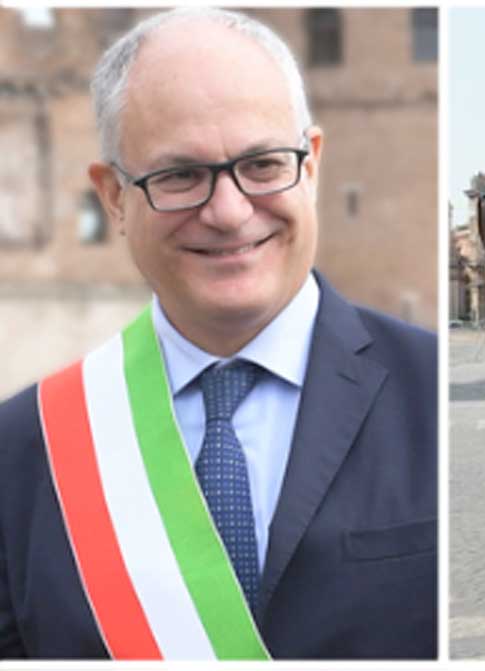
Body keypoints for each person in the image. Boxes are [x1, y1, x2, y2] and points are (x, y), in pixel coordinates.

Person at [0, 9, 436, 660]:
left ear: (311, 166)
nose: (229, 212)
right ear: (114, 197)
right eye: (180, 175)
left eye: (262, 164)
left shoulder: (430, 395)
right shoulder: (21, 453)